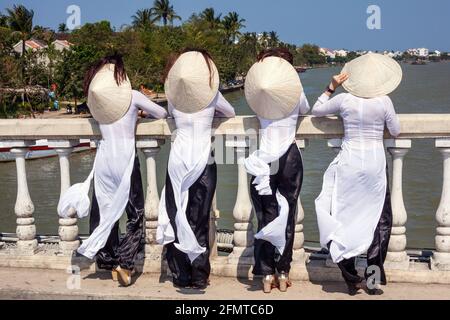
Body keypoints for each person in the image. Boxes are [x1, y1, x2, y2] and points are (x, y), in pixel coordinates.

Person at [58, 54, 167, 287]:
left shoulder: (96, 101)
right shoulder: (133, 96)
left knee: (105, 210)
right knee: (135, 214)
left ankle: (107, 259)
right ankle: (125, 264)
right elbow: (162, 114)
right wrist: (139, 114)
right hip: (124, 159)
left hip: (104, 160)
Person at [312, 53, 402, 296]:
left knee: (343, 218)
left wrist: (331, 86)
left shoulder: (344, 100)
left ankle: (351, 279)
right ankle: (372, 280)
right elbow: (395, 131)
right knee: (379, 221)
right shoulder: (384, 102)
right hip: (374, 165)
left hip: (349, 164)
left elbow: (316, 109)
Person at [157, 49, 236, 290]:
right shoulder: (211, 97)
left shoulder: (173, 97)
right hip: (203, 159)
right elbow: (231, 113)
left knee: (176, 214)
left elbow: (169, 114)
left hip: (178, 159)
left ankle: (181, 275)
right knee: (199, 218)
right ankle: (199, 276)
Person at [243, 48, 310, 293]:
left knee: (265, 216)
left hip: (265, 160)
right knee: (288, 215)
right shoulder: (296, 91)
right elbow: (305, 109)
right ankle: (283, 273)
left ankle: (266, 275)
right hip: (290, 158)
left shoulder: (259, 93)